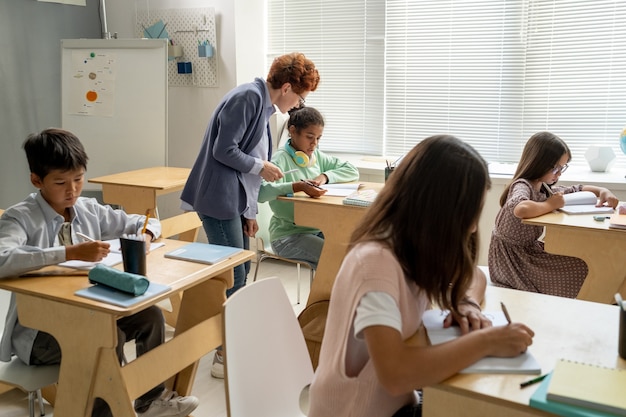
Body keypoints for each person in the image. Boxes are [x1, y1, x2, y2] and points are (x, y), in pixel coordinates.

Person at [307, 135, 534, 417]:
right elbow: (395, 374)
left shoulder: (411, 247)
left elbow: (475, 276)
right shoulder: (375, 264)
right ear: (439, 212)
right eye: (470, 215)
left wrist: (466, 304)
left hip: (396, 404)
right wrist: (487, 342)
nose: (474, 228)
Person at [0, 128, 199, 417]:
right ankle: (106, 413)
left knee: (151, 316)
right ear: (36, 180)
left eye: (79, 179)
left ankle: (151, 400)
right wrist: (68, 254)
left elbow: (142, 222)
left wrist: (145, 235)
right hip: (39, 333)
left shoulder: (87, 208)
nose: (72, 190)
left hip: (90, 312)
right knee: (107, 338)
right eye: (60, 182)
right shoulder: (21, 216)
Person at [180, 52, 320, 378]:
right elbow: (224, 151)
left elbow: (245, 159)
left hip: (234, 199)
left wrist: (249, 210)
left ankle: (233, 346)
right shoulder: (247, 98)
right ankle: (223, 354)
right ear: (286, 87)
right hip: (217, 198)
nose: (298, 104)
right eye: (299, 96)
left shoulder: (260, 103)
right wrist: (262, 167)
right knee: (235, 275)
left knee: (242, 268)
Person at [488, 131, 619, 298]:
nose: (559, 174)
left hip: (528, 253)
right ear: (538, 163)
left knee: (587, 262)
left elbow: (576, 189)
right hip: (513, 261)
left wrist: (603, 191)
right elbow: (520, 209)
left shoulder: (543, 186)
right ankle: (596, 301)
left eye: (562, 168)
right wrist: (550, 205)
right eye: (555, 168)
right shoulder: (523, 185)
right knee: (583, 269)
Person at [258, 106, 359, 269]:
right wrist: (297, 186)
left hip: (316, 230)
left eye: (319, 138)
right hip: (287, 236)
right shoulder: (280, 159)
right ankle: (327, 294)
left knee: (354, 252)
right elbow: (261, 193)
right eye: (310, 137)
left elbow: (352, 170)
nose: (314, 144)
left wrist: (324, 177)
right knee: (338, 260)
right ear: (292, 131)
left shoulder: (316, 155)